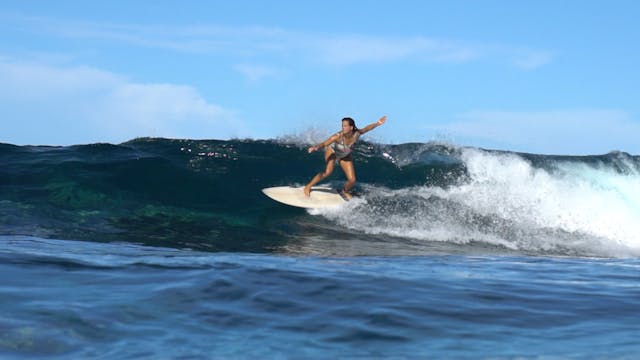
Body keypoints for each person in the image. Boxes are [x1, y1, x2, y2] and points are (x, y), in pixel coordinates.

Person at [304, 115, 387, 199]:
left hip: (344, 154)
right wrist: (315, 147)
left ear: (351, 127)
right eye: (342, 126)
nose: (343, 128)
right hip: (333, 151)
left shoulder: (357, 133)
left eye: (345, 126)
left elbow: (367, 128)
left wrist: (378, 123)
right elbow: (325, 143)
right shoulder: (338, 136)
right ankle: (308, 186)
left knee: (352, 180)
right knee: (328, 172)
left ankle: (344, 191)